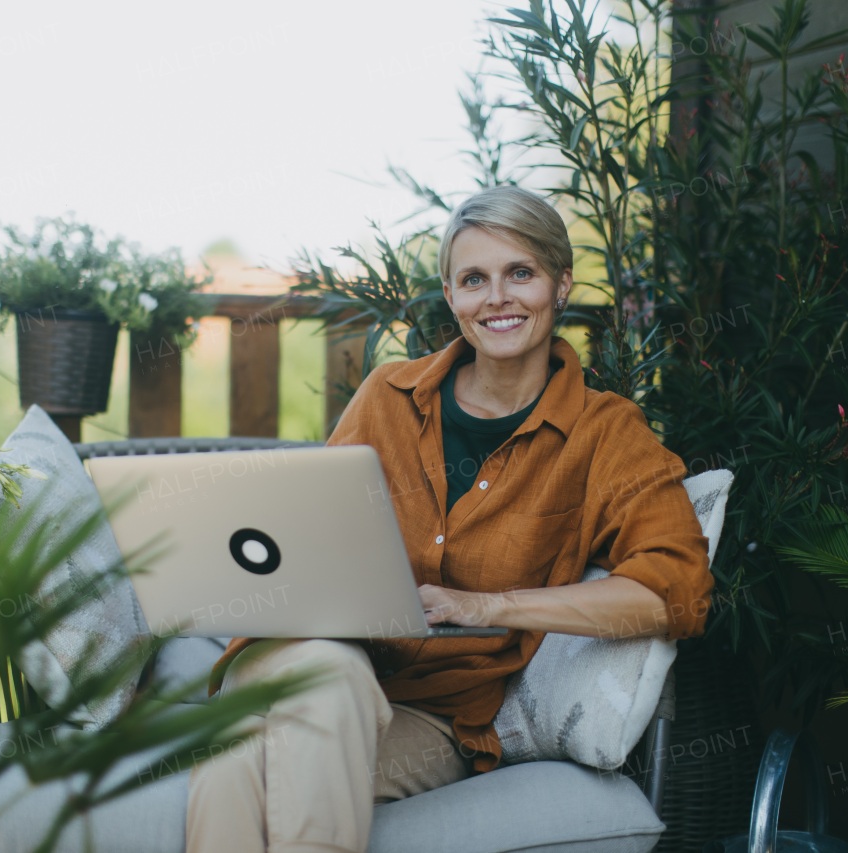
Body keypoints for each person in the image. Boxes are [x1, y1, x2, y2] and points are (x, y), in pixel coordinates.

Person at [185, 185, 713, 853]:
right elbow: (312, 536)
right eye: (474, 279)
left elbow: (676, 591)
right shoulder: (387, 398)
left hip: (430, 715)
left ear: (560, 283)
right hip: (294, 661)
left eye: (520, 272)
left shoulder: (604, 434)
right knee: (324, 672)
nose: (497, 298)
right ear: (451, 295)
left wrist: (490, 605)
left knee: (240, 753)